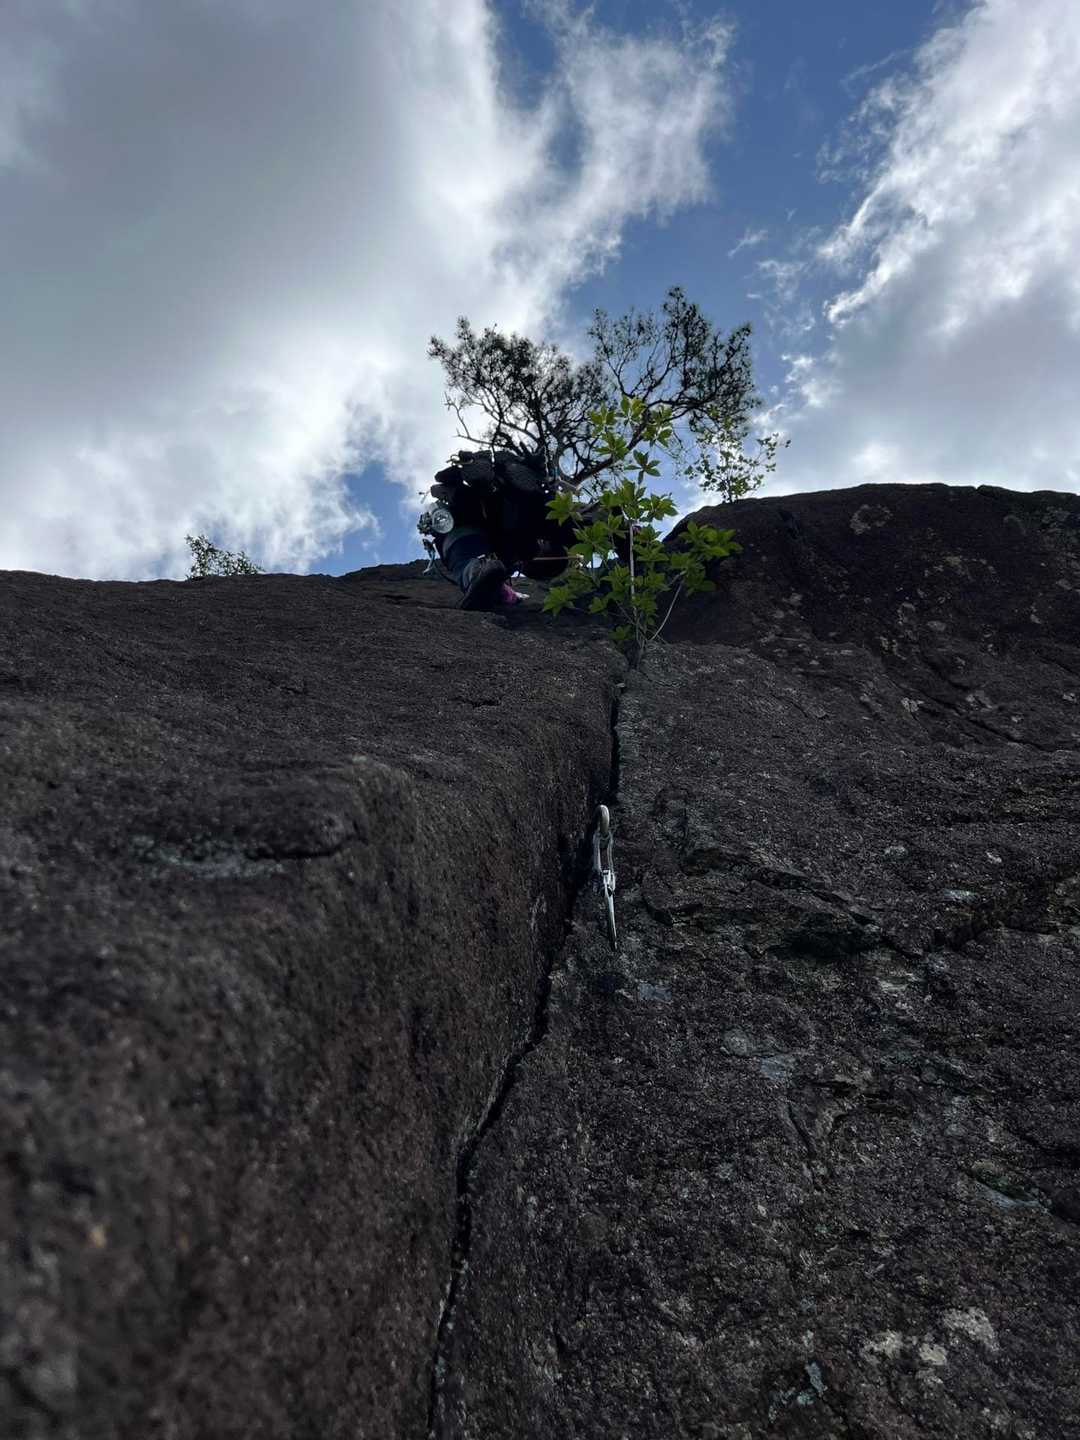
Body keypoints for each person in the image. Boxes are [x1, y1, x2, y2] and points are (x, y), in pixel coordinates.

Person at [421, 448, 582, 610]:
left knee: (483, 519)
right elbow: (497, 579)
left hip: (485, 512)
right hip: (480, 525)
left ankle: (491, 483)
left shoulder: (522, 549)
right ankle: (502, 484)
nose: (541, 544)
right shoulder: (516, 557)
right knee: (474, 550)